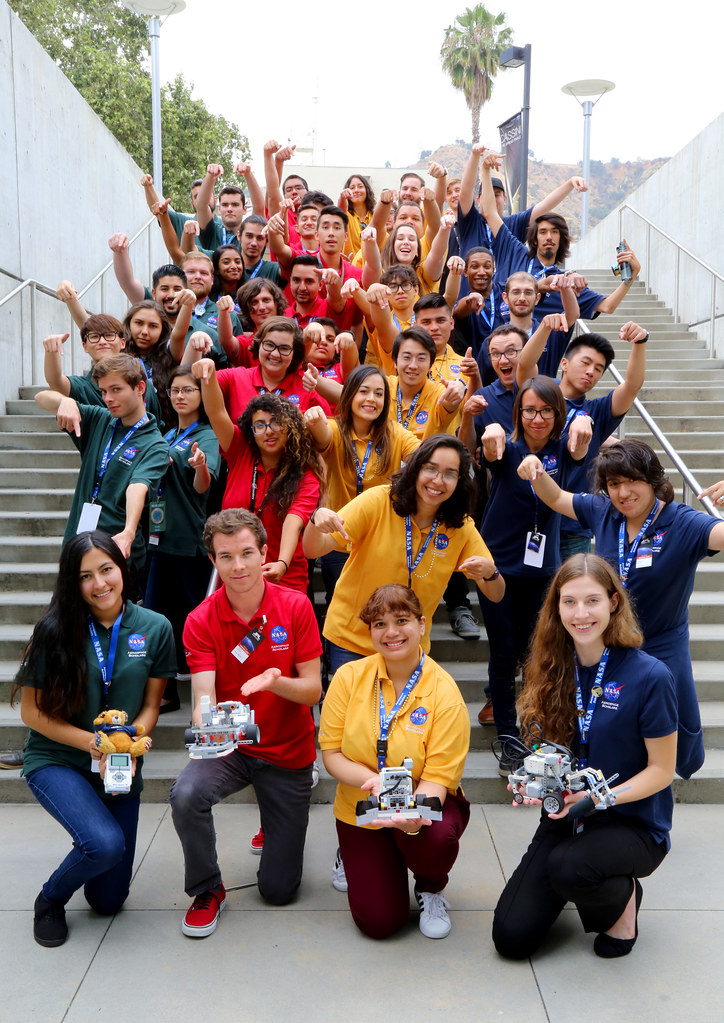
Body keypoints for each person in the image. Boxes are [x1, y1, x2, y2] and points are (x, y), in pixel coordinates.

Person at [492, 554, 677, 960]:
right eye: (569, 601)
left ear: (613, 602)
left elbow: (662, 771)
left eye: (592, 601)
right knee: (511, 937)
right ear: (555, 607)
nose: (580, 613)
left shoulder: (651, 676)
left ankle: (624, 898)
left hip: (632, 822)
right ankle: (580, 874)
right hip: (567, 816)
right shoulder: (552, 667)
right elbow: (549, 748)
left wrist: (597, 799)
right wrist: (532, 779)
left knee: (568, 867)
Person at [517, 437, 724, 779]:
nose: (623, 492)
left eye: (633, 481)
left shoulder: (684, 523)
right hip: (608, 648)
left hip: (660, 647)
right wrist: (534, 469)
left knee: (677, 748)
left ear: (654, 480)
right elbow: (555, 497)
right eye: (614, 484)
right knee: (609, 736)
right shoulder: (604, 511)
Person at [12, 530, 175, 946]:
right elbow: (31, 712)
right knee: (104, 845)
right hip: (58, 758)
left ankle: (88, 832)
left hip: (118, 765)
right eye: (85, 576)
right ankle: (49, 900)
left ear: (122, 569)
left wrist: (129, 740)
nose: (99, 584)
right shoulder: (53, 629)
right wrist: (91, 743)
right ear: (73, 581)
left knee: (108, 901)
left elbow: (152, 706)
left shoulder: (155, 628)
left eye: (106, 569)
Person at [170, 509, 322, 938]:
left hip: (288, 750)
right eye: (225, 556)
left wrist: (277, 684)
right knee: (186, 793)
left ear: (264, 553)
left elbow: (312, 691)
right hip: (232, 747)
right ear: (213, 561)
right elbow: (203, 697)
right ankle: (206, 889)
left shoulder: (295, 606)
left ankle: (276, 825)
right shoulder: (200, 620)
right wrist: (206, 724)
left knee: (278, 890)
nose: (238, 566)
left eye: (246, 553)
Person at [319, 585, 470, 940]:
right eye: (379, 624)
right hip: (363, 804)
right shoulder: (348, 678)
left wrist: (412, 821)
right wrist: (372, 782)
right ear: (369, 631)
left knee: (435, 840)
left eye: (401, 620)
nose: (390, 632)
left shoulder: (445, 693)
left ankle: (431, 887)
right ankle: (359, 855)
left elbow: (437, 778)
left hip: (423, 804)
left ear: (422, 625)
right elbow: (332, 755)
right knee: (380, 924)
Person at [303, 434, 504, 674]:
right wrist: (316, 520)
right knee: (354, 712)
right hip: (354, 640)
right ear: (416, 469)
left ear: (459, 481)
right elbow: (313, 549)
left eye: (450, 474)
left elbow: (496, 593)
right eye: (431, 469)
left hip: (408, 647)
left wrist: (491, 573)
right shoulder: (379, 501)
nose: (438, 481)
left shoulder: (460, 526)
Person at [474, 375, 591, 752]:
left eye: (545, 411)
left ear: (558, 413)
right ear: (518, 412)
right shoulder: (505, 449)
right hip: (500, 569)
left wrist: (584, 421)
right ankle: (509, 736)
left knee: (538, 654)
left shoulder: (566, 450)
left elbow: (578, 460)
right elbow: (491, 449)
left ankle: (536, 730)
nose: (537, 419)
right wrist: (491, 432)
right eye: (529, 411)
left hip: (543, 572)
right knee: (504, 652)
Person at [516, 321, 649, 558]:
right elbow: (525, 365)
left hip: (572, 523)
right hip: (527, 515)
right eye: (585, 363)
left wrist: (640, 343)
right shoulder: (539, 394)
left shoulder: (597, 412)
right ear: (564, 364)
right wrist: (545, 327)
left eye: (599, 369)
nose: (591, 372)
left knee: (573, 590)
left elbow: (631, 386)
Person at [34, 353, 169, 582]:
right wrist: (65, 401)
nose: (108, 398)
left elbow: (138, 486)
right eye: (104, 391)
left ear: (140, 388)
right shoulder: (100, 420)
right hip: (76, 547)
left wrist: (128, 531)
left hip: (115, 553)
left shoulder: (156, 445)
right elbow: (40, 398)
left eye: (116, 389)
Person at [193, 358, 323, 594]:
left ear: (290, 427)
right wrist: (208, 376)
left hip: (282, 578)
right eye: (259, 425)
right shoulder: (240, 450)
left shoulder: (306, 474)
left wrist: (282, 562)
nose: (268, 431)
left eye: (276, 423)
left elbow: (294, 522)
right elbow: (216, 411)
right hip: (236, 574)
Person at [304, 365, 420, 607]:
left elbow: (423, 457)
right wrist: (315, 420)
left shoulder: (395, 432)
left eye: (379, 394)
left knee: (381, 606)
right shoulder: (335, 428)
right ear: (350, 396)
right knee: (339, 604)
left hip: (381, 541)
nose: (371, 399)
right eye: (364, 391)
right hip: (337, 540)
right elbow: (323, 435)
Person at [144, 365, 221, 711]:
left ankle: (216, 689)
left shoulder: (204, 435)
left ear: (200, 396)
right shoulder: (162, 433)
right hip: (159, 540)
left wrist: (201, 466)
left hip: (190, 541)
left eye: (188, 390)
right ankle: (167, 691)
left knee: (202, 615)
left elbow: (202, 485)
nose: (180, 396)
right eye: (175, 390)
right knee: (159, 617)